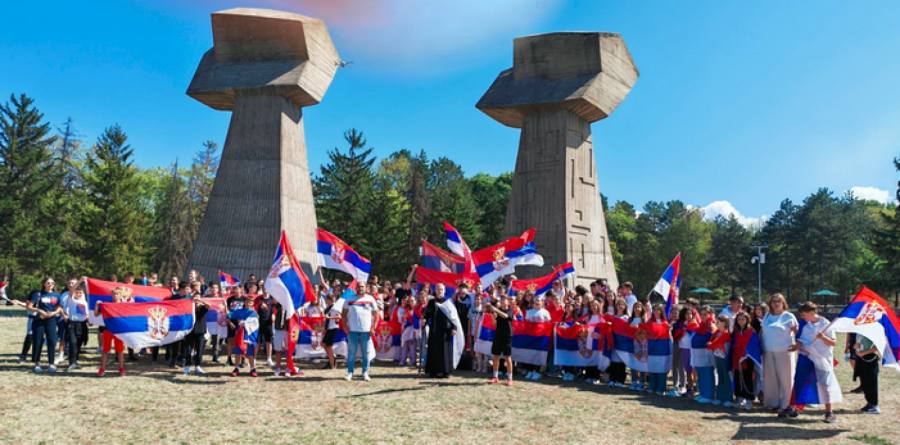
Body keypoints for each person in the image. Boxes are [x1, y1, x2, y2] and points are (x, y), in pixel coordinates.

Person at [790, 302, 840, 423]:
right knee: (801, 381)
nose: (802, 317)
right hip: (807, 356)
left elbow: (833, 342)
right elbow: (801, 339)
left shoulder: (826, 324)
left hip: (822, 358)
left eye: (803, 314)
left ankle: (829, 412)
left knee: (824, 384)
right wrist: (797, 346)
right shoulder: (804, 324)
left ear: (812, 313)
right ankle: (794, 408)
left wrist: (823, 338)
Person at [761, 293, 799, 418]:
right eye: (774, 301)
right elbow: (762, 331)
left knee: (786, 379)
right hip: (768, 350)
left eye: (779, 301)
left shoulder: (788, 316)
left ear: (783, 303)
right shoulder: (767, 315)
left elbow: (797, 332)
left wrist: (797, 345)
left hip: (784, 351)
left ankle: (786, 404)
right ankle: (772, 402)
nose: (776, 303)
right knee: (770, 378)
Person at [342, 281, 379, 382]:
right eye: (358, 287)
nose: (360, 288)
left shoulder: (370, 299)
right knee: (351, 353)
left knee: (366, 353)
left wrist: (374, 328)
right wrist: (345, 326)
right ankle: (350, 373)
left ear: (366, 288)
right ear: (356, 288)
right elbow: (344, 314)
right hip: (352, 330)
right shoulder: (349, 299)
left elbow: (376, 314)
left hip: (366, 331)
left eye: (362, 287)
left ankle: (365, 372)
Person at [423, 283, 461, 379]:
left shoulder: (448, 302)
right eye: (438, 289)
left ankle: (445, 371)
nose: (439, 290)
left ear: (444, 291)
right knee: (433, 350)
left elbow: (454, 317)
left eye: (441, 289)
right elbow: (427, 314)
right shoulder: (432, 302)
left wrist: (454, 328)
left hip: (445, 330)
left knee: (445, 351)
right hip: (434, 330)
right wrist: (424, 320)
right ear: (435, 291)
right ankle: (433, 371)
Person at [27, 277, 63, 373]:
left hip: (51, 319)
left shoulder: (56, 295)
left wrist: (54, 313)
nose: (50, 284)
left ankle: (51, 363)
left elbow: (59, 308)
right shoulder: (37, 294)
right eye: (48, 282)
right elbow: (29, 307)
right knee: (38, 341)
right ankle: (37, 363)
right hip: (39, 319)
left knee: (52, 341)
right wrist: (39, 311)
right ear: (43, 284)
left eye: (52, 282)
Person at [95, 287, 127, 377]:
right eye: (114, 294)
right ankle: (102, 368)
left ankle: (121, 368)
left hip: (119, 331)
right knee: (105, 350)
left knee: (120, 350)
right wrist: (97, 305)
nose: (115, 296)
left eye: (117, 294)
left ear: (121, 295)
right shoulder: (107, 304)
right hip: (108, 330)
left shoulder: (124, 305)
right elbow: (96, 314)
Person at [485, 294, 515, 386]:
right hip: (498, 335)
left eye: (504, 299)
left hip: (507, 336)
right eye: (501, 299)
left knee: (507, 357)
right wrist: (494, 317)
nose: (502, 301)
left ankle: (510, 378)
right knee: (496, 356)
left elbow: (506, 316)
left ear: (508, 301)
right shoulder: (498, 311)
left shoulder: (510, 310)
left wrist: (495, 310)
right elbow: (495, 324)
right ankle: (495, 377)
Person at [731, 311, 757, 410]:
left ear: (747, 320)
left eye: (743, 319)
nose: (741, 321)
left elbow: (754, 344)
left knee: (748, 379)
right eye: (739, 319)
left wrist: (746, 354)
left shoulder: (751, 331)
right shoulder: (736, 331)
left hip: (747, 359)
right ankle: (739, 398)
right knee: (737, 378)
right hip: (737, 358)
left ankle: (749, 400)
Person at [707, 315, 734, 406]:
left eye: (718, 322)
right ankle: (719, 397)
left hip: (724, 358)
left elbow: (724, 346)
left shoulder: (727, 334)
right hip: (717, 357)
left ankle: (728, 398)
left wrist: (714, 344)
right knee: (720, 378)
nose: (716, 323)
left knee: (726, 378)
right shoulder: (717, 333)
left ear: (724, 323)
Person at [524, 293, 551, 381]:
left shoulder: (545, 312)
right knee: (530, 354)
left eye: (538, 300)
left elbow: (548, 324)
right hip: (531, 337)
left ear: (543, 302)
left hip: (541, 337)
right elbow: (527, 324)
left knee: (539, 354)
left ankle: (538, 372)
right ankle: (530, 370)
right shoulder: (529, 312)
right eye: (535, 300)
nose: (536, 302)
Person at [182, 295, 210, 374]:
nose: (196, 300)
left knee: (199, 349)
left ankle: (197, 365)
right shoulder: (189, 309)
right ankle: (187, 366)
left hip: (200, 331)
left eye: (198, 298)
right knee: (188, 349)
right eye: (195, 298)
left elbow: (209, 306)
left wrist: (201, 301)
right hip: (189, 331)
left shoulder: (202, 308)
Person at [64, 286, 90, 371]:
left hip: (82, 325)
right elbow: (71, 290)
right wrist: (80, 281)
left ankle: (75, 361)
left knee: (79, 343)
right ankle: (71, 362)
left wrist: (90, 321)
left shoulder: (85, 303)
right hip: (72, 324)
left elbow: (86, 315)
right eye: (76, 292)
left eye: (80, 293)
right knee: (73, 343)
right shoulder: (71, 300)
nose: (78, 294)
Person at [855, 333, 881, 414]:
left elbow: (877, 346)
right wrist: (856, 347)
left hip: (870, 358)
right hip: (861, 358)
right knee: (865, 383)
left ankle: (874, 405)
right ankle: (869, 403)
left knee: (871, 383)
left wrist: (864, 352)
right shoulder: (860, 330)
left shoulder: (873, 330)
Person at [673, 306, 695, 396]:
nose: (689, 315)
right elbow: (675, 333)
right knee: (688, 370)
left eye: (690, 313)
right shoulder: (679, 323)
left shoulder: (694, 323)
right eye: (687, 313)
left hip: (692, 349)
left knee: (693, 370)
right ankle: (689, 388)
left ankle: (694, 387)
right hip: (683, 348)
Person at [627, 302, 648, 390]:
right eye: (635, 307)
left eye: (639, 307)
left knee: (641, 363)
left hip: (642, 344)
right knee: (633, 363)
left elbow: (647, 330)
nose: (637, 309)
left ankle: (642, 382)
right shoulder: (630, 319)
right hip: (632, 343)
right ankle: (634, 380)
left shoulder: (644, 319)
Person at [256, 289, 275, 368]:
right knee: (258, 341)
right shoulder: (259, 299)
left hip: (268, 323)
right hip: (259, 323)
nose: (265, 291)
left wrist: (274, 314)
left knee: (268, 341)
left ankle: (269, 358)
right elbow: (255, 307)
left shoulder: (272, 299)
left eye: (267, 289)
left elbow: (275, 308)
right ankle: (253, 358)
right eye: (264, 289)